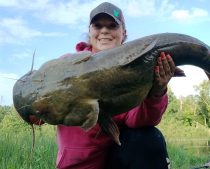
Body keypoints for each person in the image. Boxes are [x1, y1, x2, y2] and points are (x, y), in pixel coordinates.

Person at [29, 2, 175, 169]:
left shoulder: (135, 70)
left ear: (123, 33)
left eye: (112, 26)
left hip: (114, 162)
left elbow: (139, 122)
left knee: (148, 137)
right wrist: (32, 108)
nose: (104, 31)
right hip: (74, 166)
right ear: (90, 31)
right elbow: (37, 115)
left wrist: (157, 91)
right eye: (98, 26)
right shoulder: (65, 64)